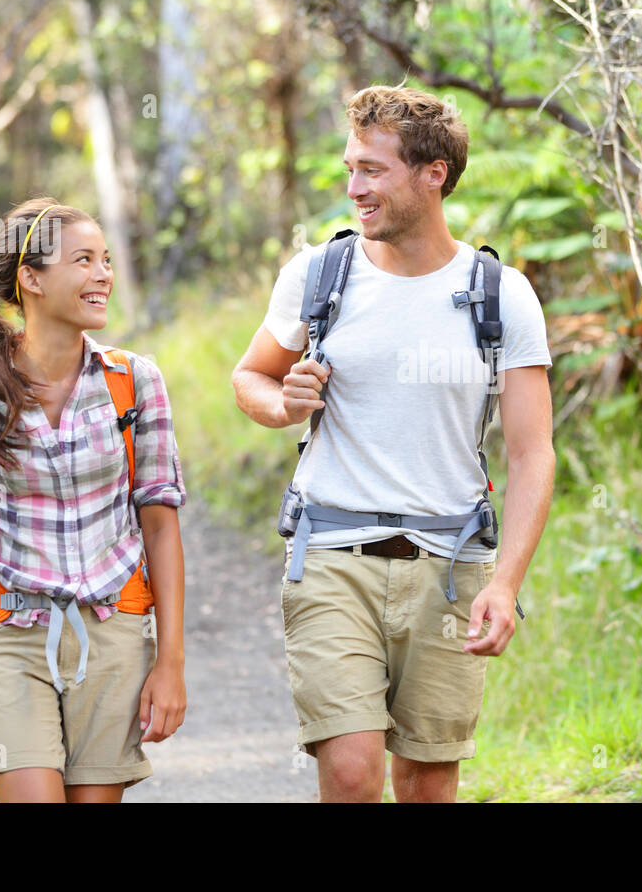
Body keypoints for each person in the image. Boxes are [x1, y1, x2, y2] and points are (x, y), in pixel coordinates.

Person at [231, 84, 555, 802]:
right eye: (350, 168)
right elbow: (250, 376)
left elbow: (533, 455)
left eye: (372, 171)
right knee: (350, 772)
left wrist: (505, 584)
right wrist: (282, 405)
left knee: (428, 782)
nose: (354, 188)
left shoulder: (500, 294)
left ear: (431, 174)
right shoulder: (319, 276)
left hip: (450, 566)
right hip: (331, 554)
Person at [0, 197, 187, 802]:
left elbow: (161, 529)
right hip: (9, 633)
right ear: (31, 280)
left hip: (112, 634)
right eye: (84, 260)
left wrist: (170, 664)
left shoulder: (135, 381)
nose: (103, 275)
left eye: (106, 260)